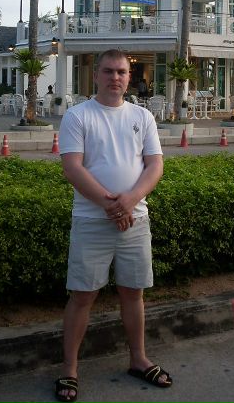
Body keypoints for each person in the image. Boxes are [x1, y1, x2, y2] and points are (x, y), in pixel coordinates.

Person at [56, 49, 171, 402]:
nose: (115, 77)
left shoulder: (142, 117)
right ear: (96, 75)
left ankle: (138, 359)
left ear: (129, 76)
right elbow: (73, 168)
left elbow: (155, 166)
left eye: (121, 71)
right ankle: (69, 369)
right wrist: (112, 206)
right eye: (108, 71)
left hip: (136, 219)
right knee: (82, 296)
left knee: (133, 292)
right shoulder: (78, 116)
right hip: (92, 221)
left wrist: (130, 201)